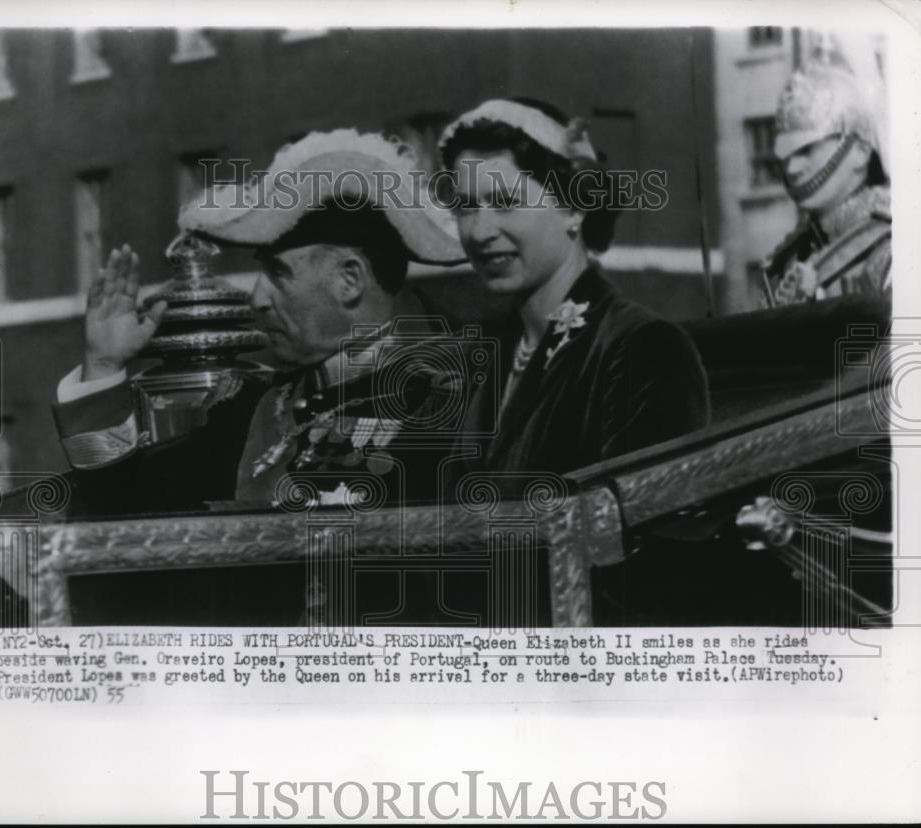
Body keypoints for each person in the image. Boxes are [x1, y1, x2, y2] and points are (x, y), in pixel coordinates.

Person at [52, 129, 469, 624]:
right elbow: (122, 512)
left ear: (350, 280)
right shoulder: (250, 411)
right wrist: (103, 367)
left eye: (278, 273)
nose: (257, 299)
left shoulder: (457, 402)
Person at [436, 98, 711, 625]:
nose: (478, 230)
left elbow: (656, 571)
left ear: (572, 208)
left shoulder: (640, 350)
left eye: (504, 201)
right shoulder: (481, 360)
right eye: (466, 207)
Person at [763, 65, 891, 306]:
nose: (792, 168)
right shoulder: (783, 262)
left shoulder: (892, 245)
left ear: (860, 151)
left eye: (806, 150)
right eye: (787, 155)